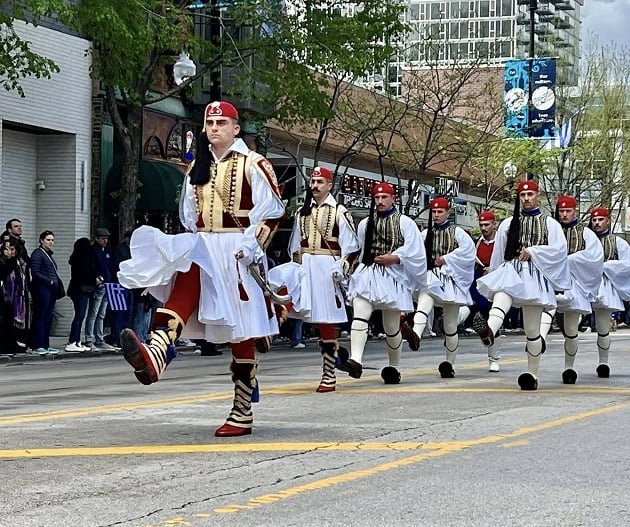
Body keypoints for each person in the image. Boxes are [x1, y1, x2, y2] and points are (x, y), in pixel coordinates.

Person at [118, 100, 286, 437]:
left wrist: (253, 245)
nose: (214, 128)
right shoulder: (197, 165)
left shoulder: (254, 163)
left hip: (237, 250)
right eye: (210, 123)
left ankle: (242, 409)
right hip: (204, 244)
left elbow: (272, 212)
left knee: (241, 331)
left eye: (221, 123)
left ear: (236, 128)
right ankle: (157, 352)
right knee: (187, 276)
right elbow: (187, 213)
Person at [268, 165, 360, 392]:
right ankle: (267, 332)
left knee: (325, 322)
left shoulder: (340, 212)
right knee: (282, 294)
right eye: (313, 181)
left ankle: (329, 373)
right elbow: (295, 244)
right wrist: (296, 265)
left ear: (329, 185)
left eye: (320, 182)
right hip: (304, 265)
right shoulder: (302, 211)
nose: (315, 185)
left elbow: (352, 248)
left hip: (326, 268)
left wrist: (341, 269)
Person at [474, 178, 570, 391]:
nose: (526, 198)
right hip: (512, 269)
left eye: (530, 194)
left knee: (532, 330)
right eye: (523, 195)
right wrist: (495, 274)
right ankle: (489, 331)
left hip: (534, 276)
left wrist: (534, 251)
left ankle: (532, 374)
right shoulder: (508, 224)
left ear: (538, 196)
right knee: (501, 294)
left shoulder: (550, 224)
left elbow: (559, 251)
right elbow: (499, 253)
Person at [345, 181, 425, 384]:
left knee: (391, 327)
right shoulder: (365, 224)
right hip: (368, 273)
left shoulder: (405, 223)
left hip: (393, 277)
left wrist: (396, 258)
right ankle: (355, 360)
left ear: (393, 198)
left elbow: (416, 251)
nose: (380, 201)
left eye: (384, 197)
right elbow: (360, 250)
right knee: (360, 315)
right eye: (377, 197)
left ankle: (394, 366)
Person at [403, 196, 476, 378]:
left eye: (440, 211)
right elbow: (413, 251)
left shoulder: (458, 233)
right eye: (434, 212)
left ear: (447, 212)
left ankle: (449, 363)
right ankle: (416, 335)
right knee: (423, 303)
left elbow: (468, 252)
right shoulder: (424, 234)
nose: (436, 215)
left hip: (450, 280)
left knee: (450, 326)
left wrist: (447, 258)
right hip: (430, 277)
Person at [540, 195, 603, 384]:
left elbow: (595, 258)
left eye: (568, 211)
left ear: (575, 211)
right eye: (562, 211)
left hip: (573, 283)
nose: (565, 214)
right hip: (551, 280)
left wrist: (569, 260)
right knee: (546, 308)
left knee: (571, 328)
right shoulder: (551, 230)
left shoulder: (586, 233)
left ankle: (569, 367)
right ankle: (540, 338)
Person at [587, 206, 630, 378]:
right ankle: (569, 366)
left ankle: (603, 362)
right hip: (584, 285)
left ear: (608, 221)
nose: (597, 223)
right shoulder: (585, 240)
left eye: (600, 219)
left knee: (602, 327)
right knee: (571, 327)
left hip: (603, 288)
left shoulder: (618, 242)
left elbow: (628, 265)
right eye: (594, 220)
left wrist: (605, 267)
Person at [470, 210, 502, 372]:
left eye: (487, 225)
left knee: (493, 319)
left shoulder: (501, 241)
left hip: (496, 283)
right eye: (481, 225)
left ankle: (493, 359)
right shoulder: (477, 243)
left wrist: (493, 268)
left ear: (494, 224)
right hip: (479, 283)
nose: (483, 228)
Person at [29, 230, 63, 355]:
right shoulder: (38, 253)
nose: (51, 242)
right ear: (41, 240)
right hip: (41, 289)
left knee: (47, 317)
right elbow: (35, 272)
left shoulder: (48, 255)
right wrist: (50, 281)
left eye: (52, 240)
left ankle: (45, 345)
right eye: (48, 240)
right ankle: (37, 345)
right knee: (40, 315)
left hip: (50, 289)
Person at [85, 228, 117, 351]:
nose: (105, 241)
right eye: (102, 238)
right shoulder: (93, 251)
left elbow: (111, 267)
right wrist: (97, 279)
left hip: (108, 285)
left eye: (106, 238)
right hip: (99, 286)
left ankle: (99, 339)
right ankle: (89, 339)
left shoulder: (107, 251)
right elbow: (92, 267)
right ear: (97, 239)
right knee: (93, 313)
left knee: (101, 314)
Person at [65, 237, 97, 352]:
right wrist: (95, 280)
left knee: (79, 315)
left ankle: (77, 341)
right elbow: (87, 275)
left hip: (76, 290)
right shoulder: (84, 259)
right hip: (81, 290)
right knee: (79, 316)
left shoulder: (76, 258)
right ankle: (72, 341)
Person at [0, 237, 30, 354]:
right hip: (6, 294)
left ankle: (14, 344)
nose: (9, 252)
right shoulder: (3, 262)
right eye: (6, 249)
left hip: (16, 295)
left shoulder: (17, 262)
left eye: (12, 249)